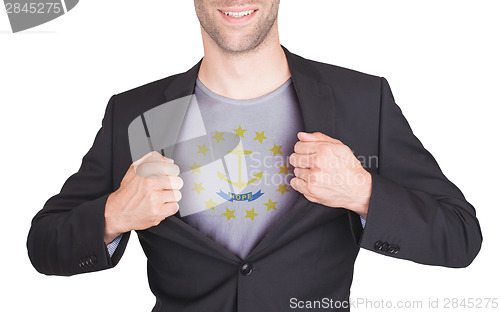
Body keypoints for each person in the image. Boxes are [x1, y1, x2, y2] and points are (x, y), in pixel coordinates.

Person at [27, 1, 482, 311]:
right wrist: (114, 214)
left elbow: (460, 236)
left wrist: (363, 192)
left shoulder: (360, 101)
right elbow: (44, 245)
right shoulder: (139, 114)